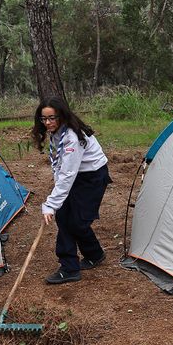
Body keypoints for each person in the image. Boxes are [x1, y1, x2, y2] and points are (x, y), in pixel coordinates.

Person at [33, 97, 111, 284]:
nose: (48, 123)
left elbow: (68, 174)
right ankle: (90, 256)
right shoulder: (56, 133)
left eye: (52, 118)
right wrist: (57, 201)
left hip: (92, 177)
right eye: (44, 119)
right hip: (76, 175)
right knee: (64, 216)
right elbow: (60, 167)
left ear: (62, 115)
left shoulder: (72, 137)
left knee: (76, 221)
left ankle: (72, 267)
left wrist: (50, 204)